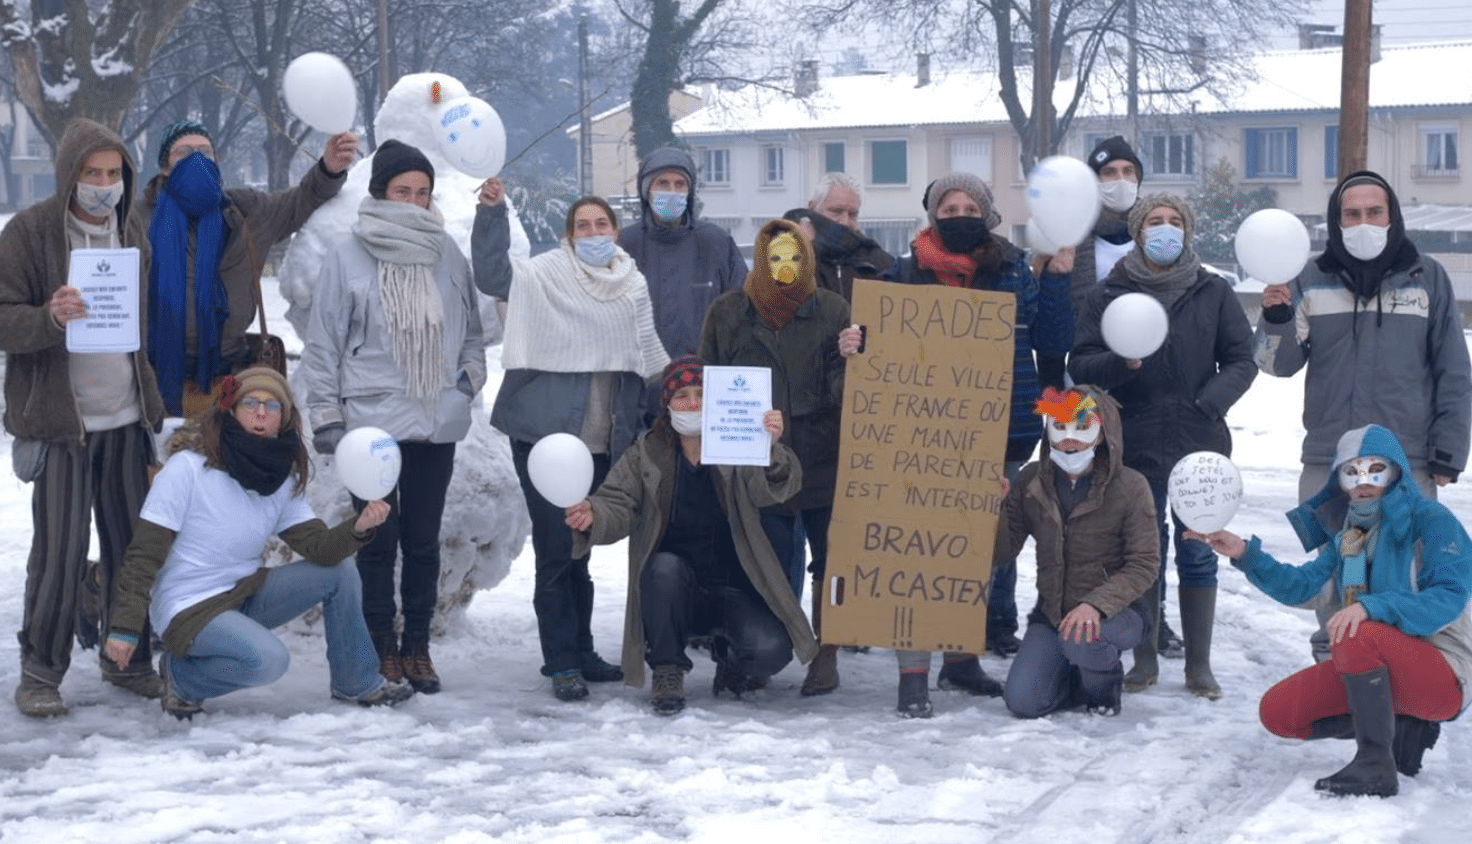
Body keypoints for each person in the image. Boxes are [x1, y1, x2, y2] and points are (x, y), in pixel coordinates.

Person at [103, 367, 415, 718]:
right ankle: (181, 677)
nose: (261, 412)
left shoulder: (280, 477)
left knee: (339, 572)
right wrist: (126, 628)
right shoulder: (188, 469)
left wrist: (358, 527)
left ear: (284, 418)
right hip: (188, 606)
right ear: (232, 410)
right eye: (250, 402)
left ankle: (356, 681)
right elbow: (144, 554)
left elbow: (320, 548)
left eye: (272, 405)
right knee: (269, 661)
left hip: (244, 592)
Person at [1254, 170, 1471, 662]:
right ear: (1336, 221)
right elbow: (1276, 365)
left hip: (1409, 458)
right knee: (1334, 569)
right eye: (1352, 214)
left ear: (1392, 217)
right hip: (1329, 459)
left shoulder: (1427, 277)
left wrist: (1448, 449)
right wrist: (1275, 318)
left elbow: (1454, 370)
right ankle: (1336, 661)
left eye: (1374, 212)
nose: (1363, 223)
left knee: (1406, 569)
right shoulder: (1307, 276)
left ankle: (1399, 666)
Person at [878, 172, 1073, 715]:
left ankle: (961, 661)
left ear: (986, 213)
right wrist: (857, 338)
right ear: (931, 214)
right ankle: (912, 671)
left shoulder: (1013, 269)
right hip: (919, 433)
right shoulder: (902, 272)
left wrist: (1056, 280)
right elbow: (879, 342)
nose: (958, 213)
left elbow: (1051, 341)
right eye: (948, 206)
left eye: (969, 205)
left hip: (1003, 430)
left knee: (977, 550)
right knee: (917, 548)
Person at [1190, 425, 1471, 797]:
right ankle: (1402, 725)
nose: (1364, 481)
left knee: (1355, 630)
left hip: (1444, 670)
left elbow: (1448, 598)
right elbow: (1303, 586)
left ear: (1396, 471)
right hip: (1381, 661)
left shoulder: (1433, 521)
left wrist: (1372, 607)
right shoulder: (1348, 537)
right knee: (1281, 713)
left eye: (1376, 470)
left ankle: (1375, 764)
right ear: (1339, 479)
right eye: (1352, 472)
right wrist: (1244, 552)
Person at [474, 178, 670, 702]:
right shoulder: (544, 276)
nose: (593, 233)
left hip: (606, 438)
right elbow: (492, 274)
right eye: (582, 226)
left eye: (601, 224)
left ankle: (581, 649)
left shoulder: (632, 286)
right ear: (568, 234)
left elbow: (648, 361)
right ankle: (560, 660)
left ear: (616, 232)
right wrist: (492, 214)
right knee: (558, 549)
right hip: (545, 436)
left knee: (581, 545)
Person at [301, 140, 485, 695]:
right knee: (377, 541)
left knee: (424, 541)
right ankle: (381, 641)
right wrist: (327, 415)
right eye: (402, 190)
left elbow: (473, 334)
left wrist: (467, 381)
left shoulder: (447, 252)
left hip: (434, 420)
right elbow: (323, 342)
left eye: (422, 192)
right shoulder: (347, 253)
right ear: (380, 192)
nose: (413, 200)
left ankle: (418, 647)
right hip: (370, 426)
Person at [0, 118, 168, 717]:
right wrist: (47, 317)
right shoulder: (29, 233)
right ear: (69, 175)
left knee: (132, 546)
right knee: (60, 553)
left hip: (125, 419)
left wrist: (151, 404)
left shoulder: (132, 231)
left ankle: (128, 661)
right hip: (60, 425)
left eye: (113, 173)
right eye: (91, 173)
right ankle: (41, 672)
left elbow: (141, 327)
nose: (103, 184)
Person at [1068, 193, 1256, 700]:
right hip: (1136, 445)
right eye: (1155, 221)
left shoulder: (1213, 291)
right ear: (1138, 230)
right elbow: (1081, 364)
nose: (1165, 229)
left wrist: (1209, 404)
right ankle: (1145, 660)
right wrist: (1120, 364)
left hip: (1200, 448)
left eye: (1175, 222)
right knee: (1144, 555)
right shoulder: (1110, 293)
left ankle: (1199, 665)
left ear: (1188, 232)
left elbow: (1243, 359)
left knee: (1197, 555)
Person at [565, 356, 818, 714]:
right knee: (664, 568)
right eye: (682, 394)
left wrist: (771, 447)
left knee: (770, 651)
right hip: (671, 589)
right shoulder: (646, 454)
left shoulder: (738, 443)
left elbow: (773, 488)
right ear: (667, 405)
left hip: (732, 586)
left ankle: (730, 663)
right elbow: (617, 502)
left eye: (701, 393)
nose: (693, 402)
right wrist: (594, 513)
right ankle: (667, 670)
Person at [699, 218, 849, 696]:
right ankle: (751, 651)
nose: (785, 267)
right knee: (759, 556)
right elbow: (709, 383)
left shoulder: (831, 310)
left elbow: (846, 393)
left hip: (823, 453)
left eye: (795, 257)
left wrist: (853, 358)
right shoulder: (727, 312)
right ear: (760, 262)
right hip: (757, 459)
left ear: (808, 262)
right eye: (775, 258)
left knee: (830, 558)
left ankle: (827, 651)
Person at [129, 119, 357, 417]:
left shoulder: (247, 212)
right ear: (165, 167)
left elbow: (301, 200)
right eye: (184, 153)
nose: (197, 160)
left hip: (231, 371)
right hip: (151, 376)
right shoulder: (134, 220)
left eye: (205, 152)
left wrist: (329, 168)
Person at [1000, 386, 1159, 719]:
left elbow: (1144, 563)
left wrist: (1096, 605)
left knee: (1082, 638)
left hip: (1118, 614)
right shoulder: (1031, 480)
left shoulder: (1131, 486)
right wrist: (994, 507)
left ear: (1102, 433)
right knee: (1023, 702)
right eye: (1059, 427)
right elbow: (1001, 552)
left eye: (1082, 427)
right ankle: (1071, 676)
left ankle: (1102, 686)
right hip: (1053, 614)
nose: (1069, 439)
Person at [617, 146, 746, 361]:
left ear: (689, 192)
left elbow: (741, 312)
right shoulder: (624, 246)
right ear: (646, 191)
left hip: (699, 382)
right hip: (638, 379)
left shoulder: (716, 243)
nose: (672, 191)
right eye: (662, 183)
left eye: (680, 184)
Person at [781, 172, 895, 301]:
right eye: (836, 211)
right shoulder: (784, 253)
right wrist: (806, 250)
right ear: (813, 208)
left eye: (852, 214)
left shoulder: (874, 260)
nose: (845, 221)